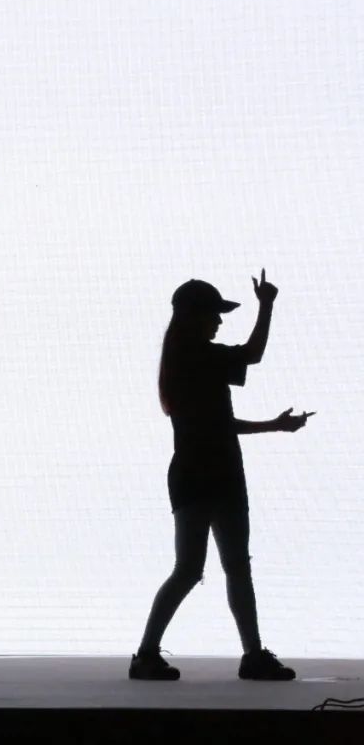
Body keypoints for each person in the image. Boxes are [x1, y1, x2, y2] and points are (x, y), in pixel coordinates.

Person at [130, 270, 314, 681]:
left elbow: (218, 422)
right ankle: (250, 655)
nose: (218, 320)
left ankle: (148, 654)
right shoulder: (200, 357)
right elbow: (252, 354)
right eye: (213, 313)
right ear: (194, 316)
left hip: (196, 474)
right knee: (231, 567)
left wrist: (273, 425)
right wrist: (266, 306)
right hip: (217, 474)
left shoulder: (183, 359)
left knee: (191, 569)